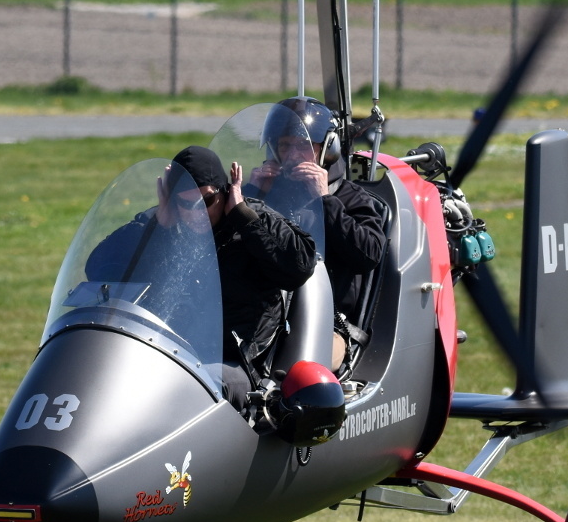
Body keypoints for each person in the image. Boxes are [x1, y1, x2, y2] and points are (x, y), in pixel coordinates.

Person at [86, 145, 316, 400]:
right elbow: (97, 268)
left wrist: (243, 217)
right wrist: (158, 228)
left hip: (238, 363)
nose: (197, 212)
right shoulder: (164, 223)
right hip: (168, 354)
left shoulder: (253, 219)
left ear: (226, 191)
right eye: (185, 203)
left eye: (206, 201)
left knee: (190, 390)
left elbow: (299, 268)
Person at [248, 97, 387, 369]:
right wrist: (251, 198)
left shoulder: (350, 198)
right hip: (262, 318)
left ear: (328, 149)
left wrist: (325, 200)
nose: (291, 155)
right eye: (284, 145)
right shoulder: (265, 194)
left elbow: (368, 254)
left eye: (303, 145)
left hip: (327, 326)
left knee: (298, 367)